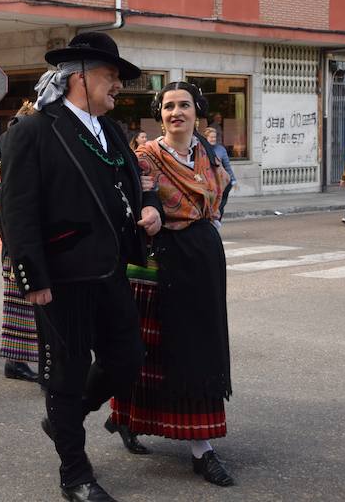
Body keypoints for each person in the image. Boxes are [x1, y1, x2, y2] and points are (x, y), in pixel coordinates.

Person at [1, 32, 163, 502]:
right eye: (112, 77)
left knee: (127, 360)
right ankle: (75, 474)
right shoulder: (33, 130)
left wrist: (148, 205)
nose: (118, 86)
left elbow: (139, 182)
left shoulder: (111, 131)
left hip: (111, 272)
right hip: (62, 278)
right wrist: (32, 279)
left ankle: (63, 419)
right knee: (65, 376)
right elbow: (18, 211)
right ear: (81, 77)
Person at [106, 81, 234, 487]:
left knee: (202, 350)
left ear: (198, 112)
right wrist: (153, 212)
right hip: (159, 264)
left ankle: (201, 445)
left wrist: (209, 221)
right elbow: (141, 197)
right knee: (153, 357)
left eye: (183, 105)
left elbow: (217, 199)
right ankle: (131, 421)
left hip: (204, 261)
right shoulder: (146, 156)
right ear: (159, 114)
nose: (175, 112)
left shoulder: (209, 156)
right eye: (167, 106)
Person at [0, 102, 39, 383]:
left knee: (24, 304)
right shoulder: (12, 162)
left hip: (15, 241)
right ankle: (15, 362)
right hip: (15, 243)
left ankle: (20, 359)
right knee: (18, 303)